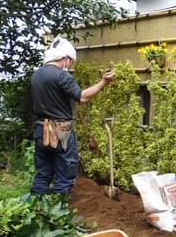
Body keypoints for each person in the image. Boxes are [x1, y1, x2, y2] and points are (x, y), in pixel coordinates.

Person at [30, 36, 115, 195]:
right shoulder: (61, 75)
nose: (70, 65)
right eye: (71, 62)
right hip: (60, 130)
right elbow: (82, 97)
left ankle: (36, 211)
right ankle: (59, 213)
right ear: (66, 58)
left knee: (43, 173)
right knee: (65, 174)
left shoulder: (36, 75)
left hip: (41, 129)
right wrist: (104, 82)